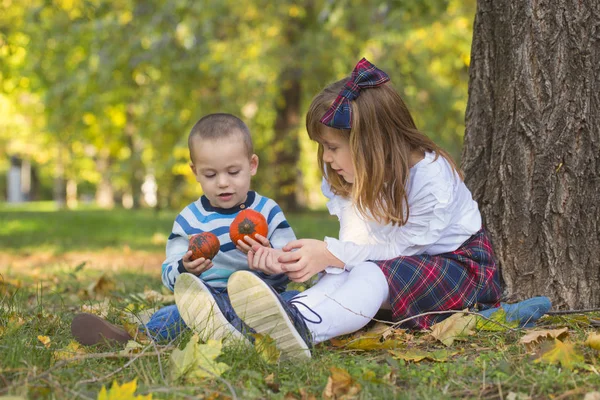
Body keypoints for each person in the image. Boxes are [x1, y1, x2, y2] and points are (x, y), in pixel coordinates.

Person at [224, 58, 541, 361]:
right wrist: (298, 259)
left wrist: (331, 254)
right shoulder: (346, 175)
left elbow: (401, 250)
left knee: (368, 272)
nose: (326, 158)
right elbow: (356, 247)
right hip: (389, 269)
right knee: (347, 273)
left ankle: (304, 328)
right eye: (322, 147)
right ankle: (279, 321)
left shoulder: (429, 175)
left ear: (369, 144)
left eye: (332, 147)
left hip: (456, 268)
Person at [71, 113, 298, 346]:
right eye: (210, 174)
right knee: (173, 315)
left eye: (233, 172)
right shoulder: (189, 219)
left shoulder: (267, 211)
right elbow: (169, 274)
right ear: (195, 172)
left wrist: (271, 259)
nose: (222, 182)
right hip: (206, 306)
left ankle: (259, 333)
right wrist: (184, 267)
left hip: (261, 302)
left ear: (252, 165)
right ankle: (133, 337)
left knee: (298, 302)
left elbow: (290, 265)